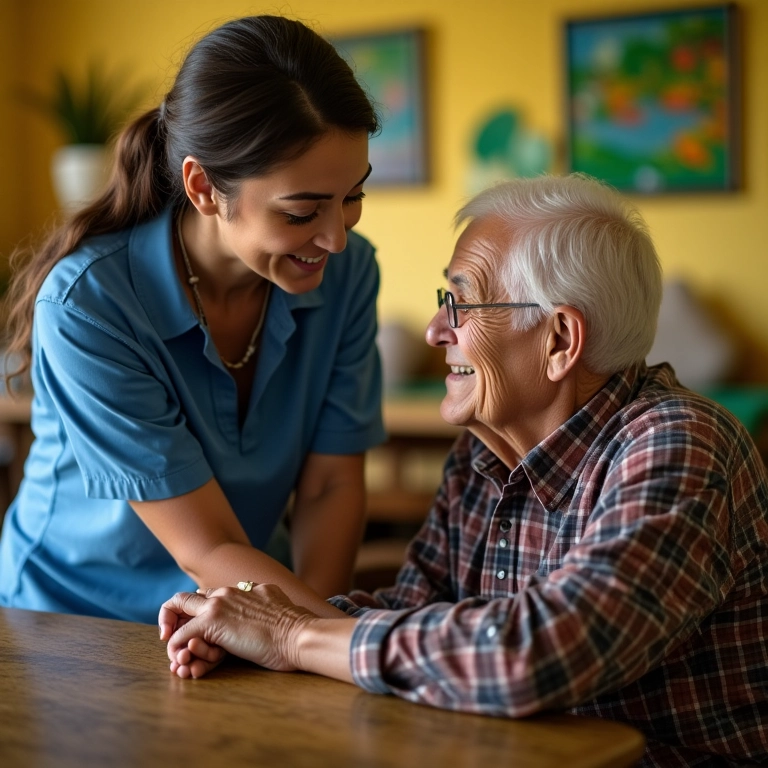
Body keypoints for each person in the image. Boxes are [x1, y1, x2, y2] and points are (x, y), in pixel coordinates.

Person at [159, 174, 768, 767]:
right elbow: (419, 611)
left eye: (461, 302)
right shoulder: (482, 456)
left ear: (559, 339)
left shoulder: (681, 444)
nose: (434, 330)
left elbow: (541, 651)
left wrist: (294, 637)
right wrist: (250, 628)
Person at [0, 15, 386, 623]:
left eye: (353, 197)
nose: (335, 238)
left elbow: (330, 486)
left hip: (251, 604)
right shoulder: (88, 305)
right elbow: (205, 544)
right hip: (72, 621)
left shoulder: (350, 274)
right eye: (301, 212)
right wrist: (329, 642)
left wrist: (315, 640)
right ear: (204, 187)